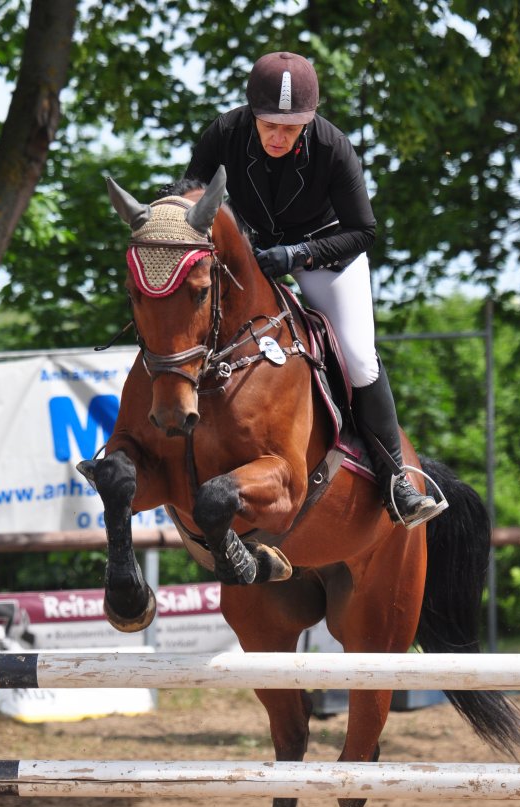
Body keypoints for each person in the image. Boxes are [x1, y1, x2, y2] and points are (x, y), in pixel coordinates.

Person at [185, 51, 443, 528]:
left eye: (292, 126)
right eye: (270, 126)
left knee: (359, 355)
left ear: (311, 119)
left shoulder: (333, 147)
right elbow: (191, 192)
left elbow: (363, 231)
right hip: (248, 255)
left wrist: (298, 254)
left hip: (324, 252)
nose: (280, 136)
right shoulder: (224, 132)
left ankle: (396, 480)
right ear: (251, 114)